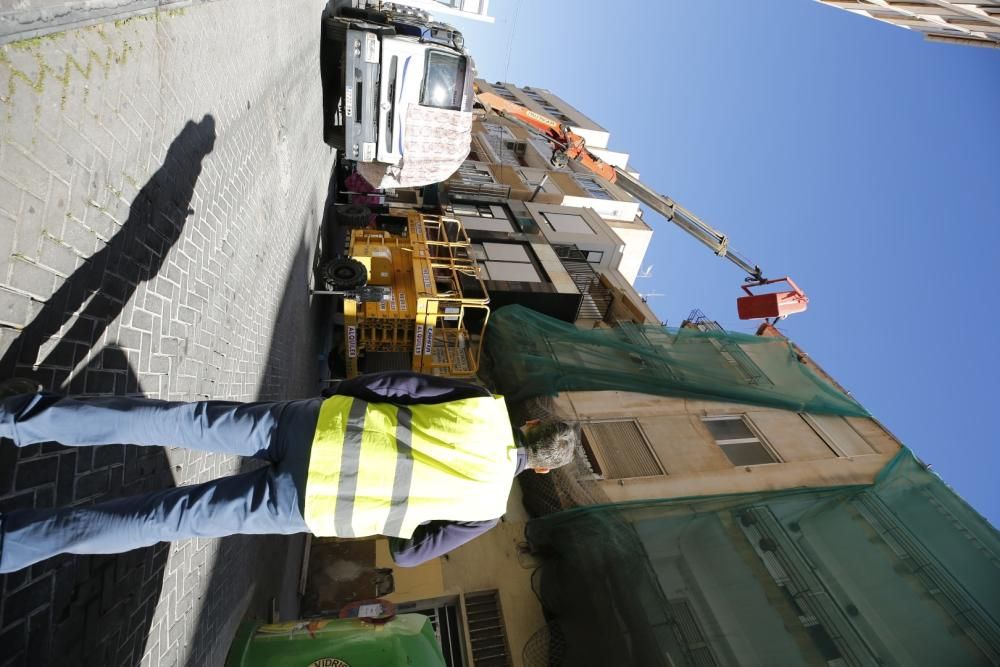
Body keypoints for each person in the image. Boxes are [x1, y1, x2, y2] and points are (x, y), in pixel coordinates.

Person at [0, 372, 578, 574]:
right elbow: (408, 556)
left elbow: (393, 386)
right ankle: (11, 545)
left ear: (530, 423)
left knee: (172, 421)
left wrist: (339, 398)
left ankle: (17, 420)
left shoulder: (482, 403)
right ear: (543, 466)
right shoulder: (486, 510)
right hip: (309, 506)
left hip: (311, 427)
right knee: (167, 518)